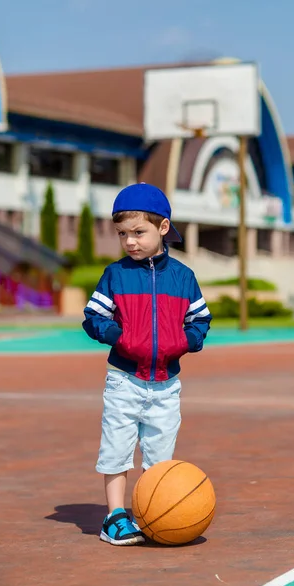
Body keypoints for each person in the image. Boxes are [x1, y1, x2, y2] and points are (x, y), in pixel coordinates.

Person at [82, 182, 212, 546]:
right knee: (116, 450)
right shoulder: (115, 275)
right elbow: (93, 317)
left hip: (167, 385)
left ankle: (153, 514)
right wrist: (120, 337)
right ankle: (115, 518)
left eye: (139, 232)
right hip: (124, 380)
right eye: (123, 234)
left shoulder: (183, 277)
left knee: (160, 457)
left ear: (163, 228)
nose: (130, 242)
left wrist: (184, 341)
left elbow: (200, 321)